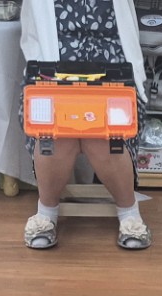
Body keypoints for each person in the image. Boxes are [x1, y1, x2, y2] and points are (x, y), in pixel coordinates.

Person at [22, 0, 152, 251]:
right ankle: (46, 213)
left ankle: (130, 214)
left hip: (116, 76)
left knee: (102, 133)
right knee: (55, 131)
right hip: (51, 75)